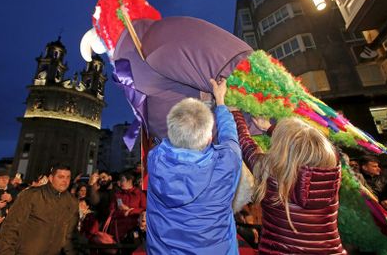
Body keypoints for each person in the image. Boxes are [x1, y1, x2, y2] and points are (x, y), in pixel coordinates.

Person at [146, 78, 242, 254]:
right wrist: (220, 101)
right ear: (209, 138)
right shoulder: (227, 164)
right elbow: (230, 137)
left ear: (172, 134)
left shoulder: (154, 161)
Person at [231, 111, 346, 254]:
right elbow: (309, 149)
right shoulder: (333, 176)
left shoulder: (272, 177)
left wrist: (235, 113)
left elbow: (246, 144)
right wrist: (270, 129)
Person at [0, 165, 78, 255]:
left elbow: (69, 236)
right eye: (61, 177)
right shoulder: (31, 195)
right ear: (51, 178)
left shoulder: (72, 202)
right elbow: (11, 226)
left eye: (68, 177)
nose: (65, 181)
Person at [109, 170, 146, 242]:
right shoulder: (117, 195)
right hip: (119, 231)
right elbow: (111, 211)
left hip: (136, 229)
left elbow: (145, 209)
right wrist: (123, 213)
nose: (120, 183)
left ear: (130, 181)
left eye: (122, 180)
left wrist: (130, 211)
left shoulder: (140, 194)